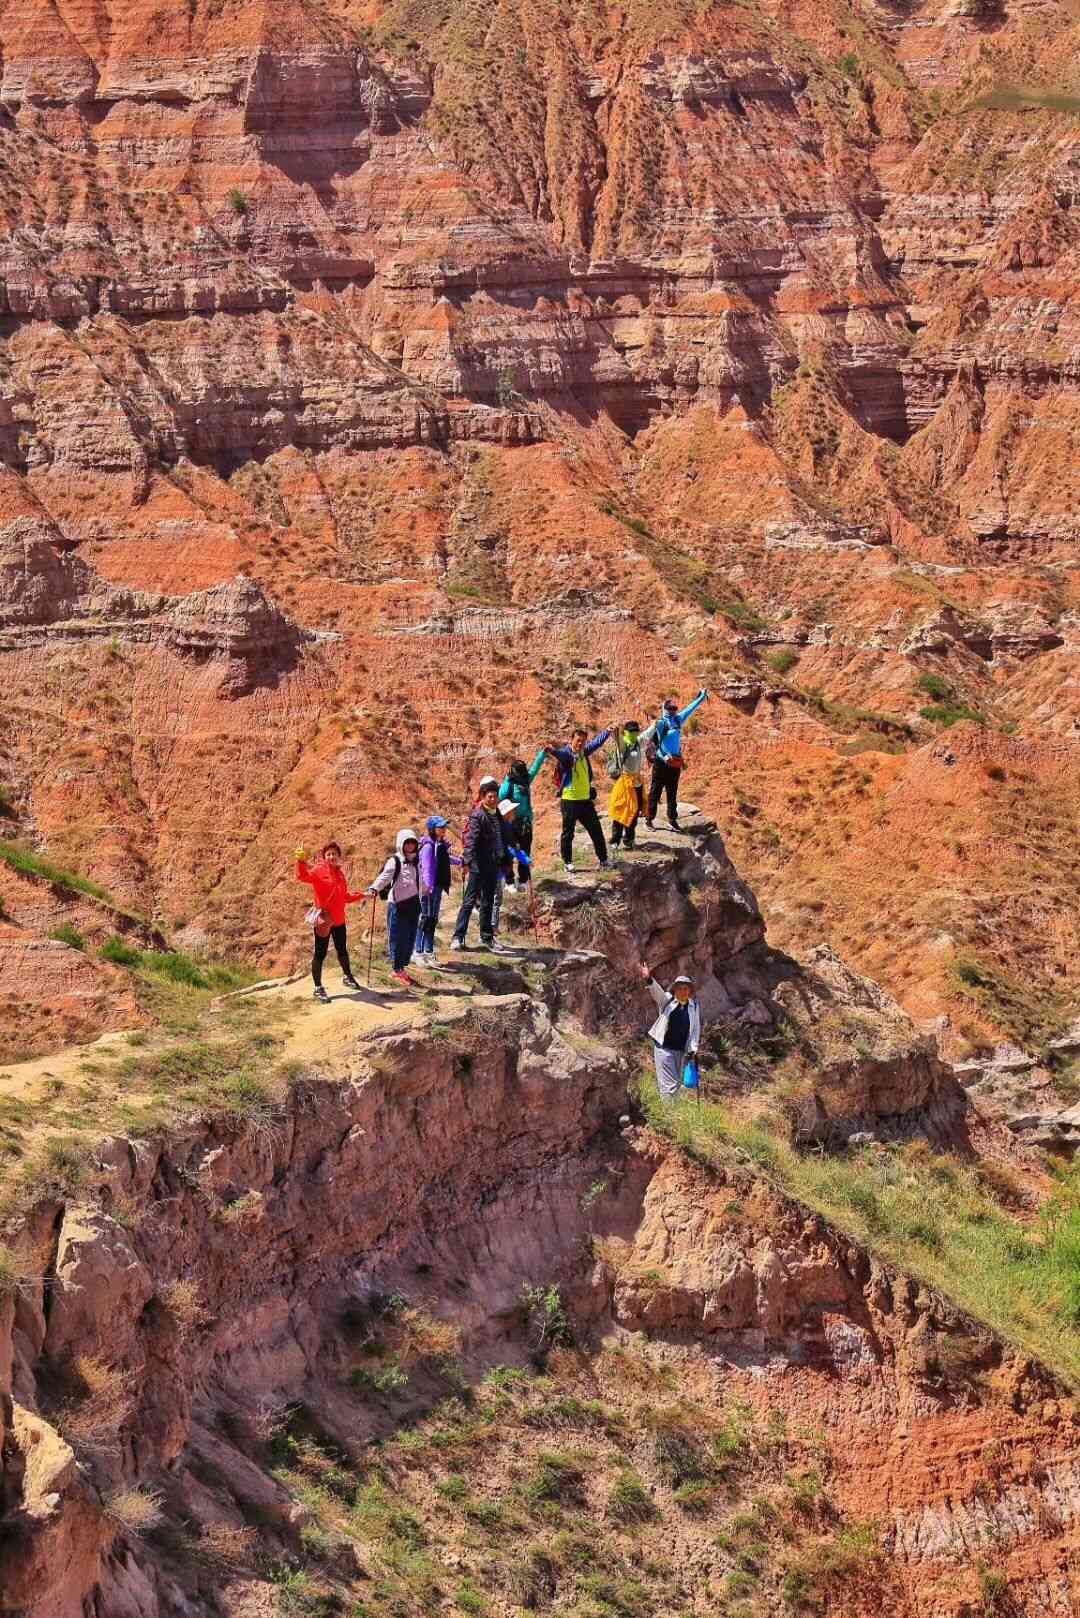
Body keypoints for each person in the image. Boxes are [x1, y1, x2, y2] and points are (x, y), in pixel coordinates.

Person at [295, 842, 364, 1003]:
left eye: (334, 854)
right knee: (320, 953)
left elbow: (345, 897)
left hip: (339, 919)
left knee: (342, 950)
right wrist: (300, 861)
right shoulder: (319, 870)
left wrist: (363, 895)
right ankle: (318, 988)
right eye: (328, 854)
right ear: (324, 857)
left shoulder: (340, 874)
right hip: (325, 920)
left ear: (338, 856)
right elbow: (302, 876)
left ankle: (348, 977)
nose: (331, 857)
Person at [451, 777, 509, 953]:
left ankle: (487, 937)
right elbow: (471, 841)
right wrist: (467, 862)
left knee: (488, 902)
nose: (493, 799)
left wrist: (505, 860)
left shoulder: (497, 814)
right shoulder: (478, 815)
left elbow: (501, 839)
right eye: (490, 796)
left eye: (495, 796)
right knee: (469, 901)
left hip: (493, 864)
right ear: (483, 797)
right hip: (478, 865)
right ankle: (457, 937)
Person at [546, 725, 612, 873]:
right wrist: (552, 751)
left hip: (585, 800)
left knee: (596, 831)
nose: (580, 743)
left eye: (583, 741)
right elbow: (561, 756)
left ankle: (603, 860)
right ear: (571, 740)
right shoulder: (567, 754)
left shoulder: (584, 752)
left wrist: (607, 731)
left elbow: (596, 743)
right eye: (577, 740)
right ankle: (567, 862)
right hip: (569, 800)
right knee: (568, 833)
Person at [645, 689, 709, 831]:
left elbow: (690, 708)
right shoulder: (661, 723)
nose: (673, 711)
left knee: (672, 793)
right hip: (661, 763)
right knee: (655, 791)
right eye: (670, 708)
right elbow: (657, 742)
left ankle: (672, 819)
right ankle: (649, 819)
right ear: (664, 709)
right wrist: (664, 756)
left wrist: (702, 697)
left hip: (675, 763)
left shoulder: (678, 720)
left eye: (675, 708)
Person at [367, 830, 423, 987]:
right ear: (401, 843)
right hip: (397, 904)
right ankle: (396, 969)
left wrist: (426, 890)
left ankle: (402, 967)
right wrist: (374, 889)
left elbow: (419, 879)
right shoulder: (395, 861)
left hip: (413, 903)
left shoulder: (416, 860)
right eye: (407, 842)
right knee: (397, 937)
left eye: (413, 842)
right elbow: (384, 877)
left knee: (410, 937)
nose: (410, 845)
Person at [639, 961, 701, 1103]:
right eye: (680, 988)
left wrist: (693, 1050)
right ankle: (670, 1116)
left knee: (677, 1084)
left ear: (690, 991)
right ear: (675, 989)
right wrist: (648, 978)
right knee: (668, 1085)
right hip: (664, 1048)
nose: (683, 991)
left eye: (686, 988)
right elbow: (657, 992)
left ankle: (673, 1113)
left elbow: (695, 1029)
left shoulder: (694, 1006)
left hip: (681, 1051)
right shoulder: (668, 1000)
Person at [416, 816, 462, 966]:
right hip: (429, 889)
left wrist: (460, 862)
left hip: (436, 887)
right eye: (440, 827)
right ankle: (418, 952)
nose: (443, 829)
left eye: (444, 826)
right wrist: (428, 888)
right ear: (432, 829)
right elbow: (427, 868)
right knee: (425, 919)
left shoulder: (439, 844)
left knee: (432, 920)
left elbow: (445, 859)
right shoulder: (429, 846)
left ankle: (429, 952)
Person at [606, 719, 656, 852]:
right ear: (626, 732)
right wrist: (615, 730)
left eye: (636, 731)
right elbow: (618, 739)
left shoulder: (638, 743)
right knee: (621, 810)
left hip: (637, 783)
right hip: (624, 782)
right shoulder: (624, 745)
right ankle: (615, 840)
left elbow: (647, 734)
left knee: (634, 811)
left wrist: (654, 725)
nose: (634, 733)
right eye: (631, 731)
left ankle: (629, 839)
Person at [499, 749, 546, 890]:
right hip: (511, 823)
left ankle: (524, 880)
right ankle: (509, 882)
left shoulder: (526, 781)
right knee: (509, 852)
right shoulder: (509, 784)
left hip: (525, 823)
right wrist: (507, 779)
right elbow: (501, 796)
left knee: (525, 850)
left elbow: (535, 768)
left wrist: (542, 754)